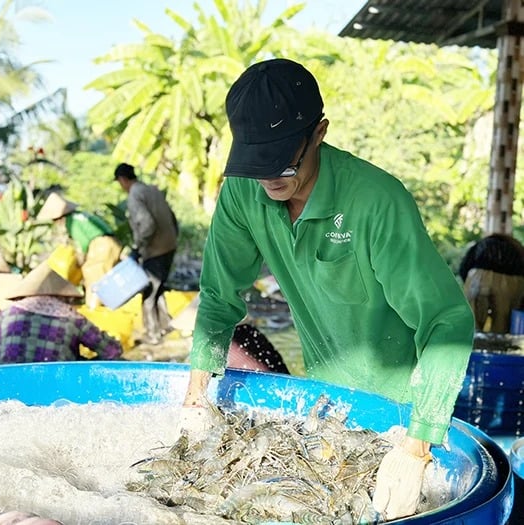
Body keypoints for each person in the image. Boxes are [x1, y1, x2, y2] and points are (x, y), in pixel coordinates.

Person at [178, 58, 474, 521]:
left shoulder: (376, 201)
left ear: (319, 132)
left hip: (406, 410)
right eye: (256, 162)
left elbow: (447, 320)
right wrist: (196, 398)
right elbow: (219, 295)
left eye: (282, 158)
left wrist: (416, 446)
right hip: (329, 403)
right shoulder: (242, 192)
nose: (268, 176)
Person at [0, 261, 123, 365]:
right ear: (62, 296)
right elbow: (112, 351)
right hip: (57, 385)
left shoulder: (4, 316)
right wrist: (83, 365)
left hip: (8, 384)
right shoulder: (72, 318)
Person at [114, 163, 178, 344]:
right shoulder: (152, 190)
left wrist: (138, 246)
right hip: (169, 245)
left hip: (155, 249)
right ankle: (165, 326)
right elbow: (172, 217)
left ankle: (152, 333)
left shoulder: (135, 195)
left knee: (149, 292)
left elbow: (147, 224)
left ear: (123, 180)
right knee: (159, 288)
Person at [37, 192, 122, 308]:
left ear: (58, 219)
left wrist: (80, 260)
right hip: (112, 243)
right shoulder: (80, 215)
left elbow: (83, 242)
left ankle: (94, 312)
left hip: (101, 246)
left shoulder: (71, 221)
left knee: (94, 278)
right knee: (107, 278)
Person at [458, 233, 524, 333]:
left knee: (473, 330)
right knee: (502, 331)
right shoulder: (516, 251)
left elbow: (463, 269)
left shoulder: (480, 247)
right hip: (511, 283)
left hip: (476, 278)